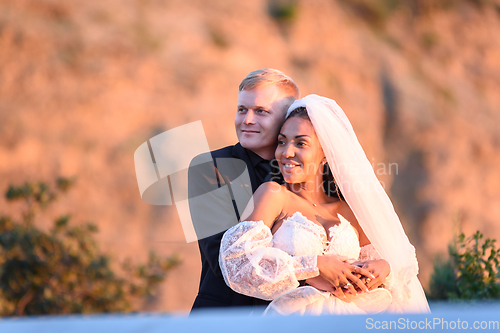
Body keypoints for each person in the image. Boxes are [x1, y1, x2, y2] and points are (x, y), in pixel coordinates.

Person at [219, 95, 430, 315]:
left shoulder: (349, 211)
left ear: (325, 153)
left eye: (300, 143)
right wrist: (314, 266)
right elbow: (238, 262)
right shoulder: (273, 195)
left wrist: (383, 269)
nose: (286, 152)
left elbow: (398, 271)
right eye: (282, 141)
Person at [188, 68, 300, 310]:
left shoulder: (312, 173)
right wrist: (316, 266)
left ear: (286, 119)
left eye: (261, 111)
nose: (247, 120)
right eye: (242, 110)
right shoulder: (209, 167)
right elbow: (224, 262)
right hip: (225, 317)